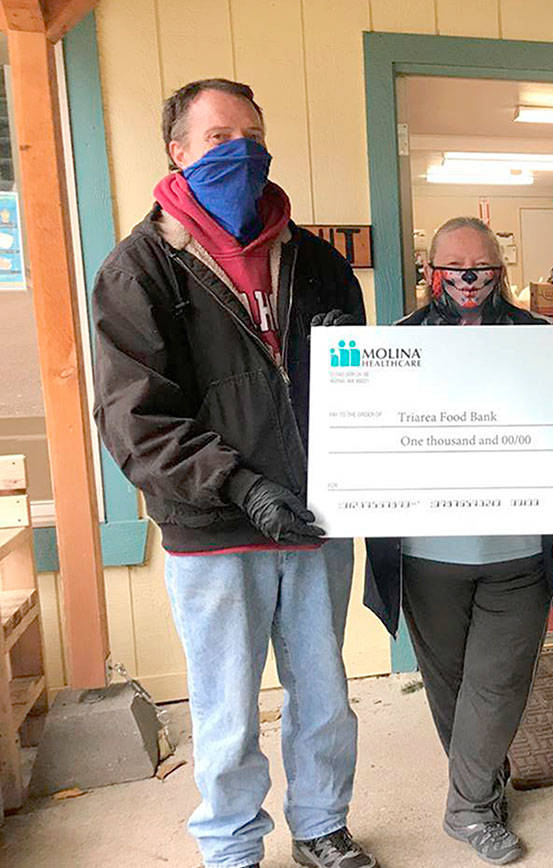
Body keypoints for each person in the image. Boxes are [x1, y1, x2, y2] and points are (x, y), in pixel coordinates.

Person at [91, 79, 376, 868]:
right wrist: (242, 486)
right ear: (177, 152)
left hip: (316, 521)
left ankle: (321, 826)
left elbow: (365, 384)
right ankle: (231, 846)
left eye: (251, 133)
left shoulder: (316, 261)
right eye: (218, 137)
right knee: (227, 708)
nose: (240, 150)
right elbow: (133, 420)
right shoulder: (140, 270)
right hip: (215, 530)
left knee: (324, 697)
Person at [363, 217, 553, 865]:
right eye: (454, 265)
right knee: (451, 686)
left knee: (498, 683)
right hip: (424, 557)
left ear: (500, 269)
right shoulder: (392, 347)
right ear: (431, 270)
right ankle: (484, 785)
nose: (468, 278)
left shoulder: (543, 340)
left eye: (482, 266)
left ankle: (466, 809)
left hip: (518, 553)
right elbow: (364, 441)